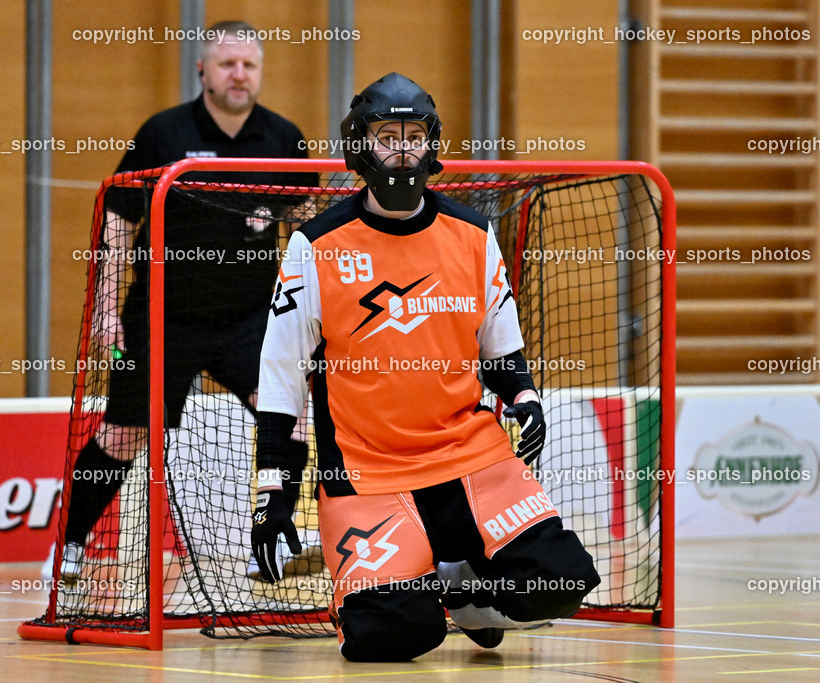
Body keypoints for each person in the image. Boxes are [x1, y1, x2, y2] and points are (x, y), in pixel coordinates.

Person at [250, 72, 600, 662]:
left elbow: (502, 350)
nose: (403, 149)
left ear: (432, 145)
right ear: (360, 146)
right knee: (393, 635)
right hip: (366, 474)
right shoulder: (314, 245)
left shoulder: (473, 234)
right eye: (389, 135)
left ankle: (463, 591)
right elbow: (282, 378)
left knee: (562, 582)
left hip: (470, 457)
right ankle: (399, 589)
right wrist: (273, 495)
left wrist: (524, 400)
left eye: (415, 135)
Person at [54, 20, 317, 583]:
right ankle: (70, 545)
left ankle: (267, 543)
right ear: (203, 70)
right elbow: (121, 221)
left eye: (250, 65)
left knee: (291, 425)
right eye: (228, 64)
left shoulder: (284, 139)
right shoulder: (164, 133)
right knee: (123, 435)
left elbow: (303, 227)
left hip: (249, 319)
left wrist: (311, 314)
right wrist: (105, 305)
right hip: (159, 316)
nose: (239, 75)